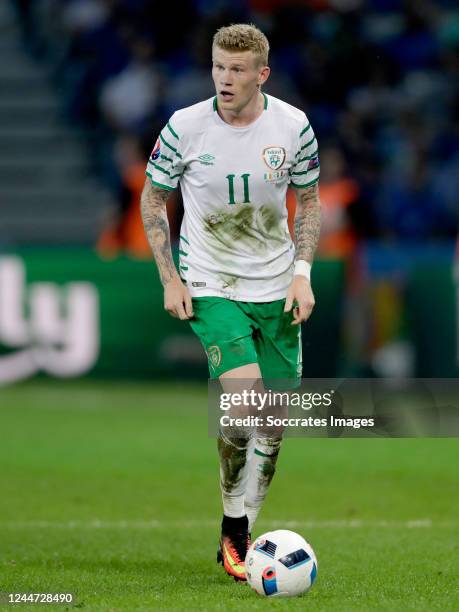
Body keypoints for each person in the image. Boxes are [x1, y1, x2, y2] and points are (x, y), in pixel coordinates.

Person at [140, 23, 321, 581]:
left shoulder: (293, 127)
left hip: (276, 285)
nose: (225, 77)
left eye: (238, 69)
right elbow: (153, 198)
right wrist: (171, 278)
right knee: (244, 403)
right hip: (211, 281)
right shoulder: (184, 127)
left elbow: (310, 200)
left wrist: (303, 273)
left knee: (272, 425)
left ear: (261, 74)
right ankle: (234, 530)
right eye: (219, 66)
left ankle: (244, 526)